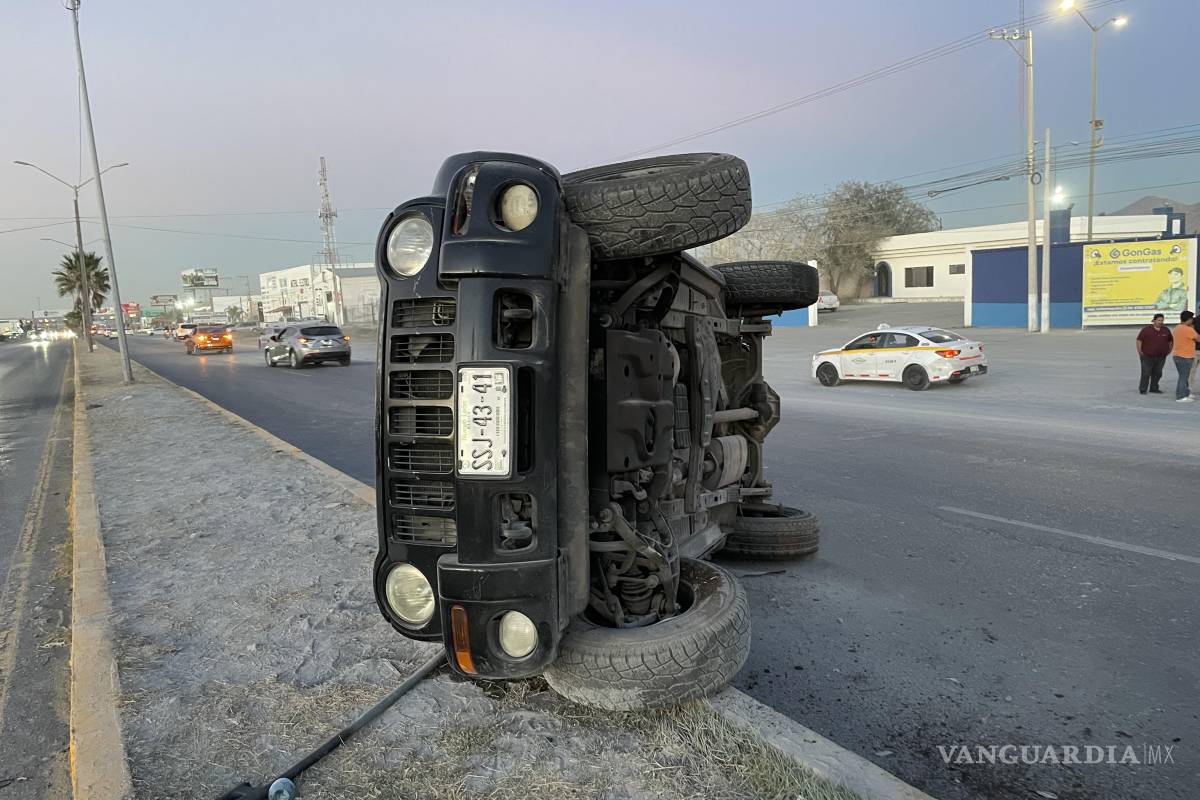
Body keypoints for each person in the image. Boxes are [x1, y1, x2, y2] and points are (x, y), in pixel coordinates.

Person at [1135, 313, 1173, 394]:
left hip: (1161, 356)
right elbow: (1139, 340)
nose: (1160, 322)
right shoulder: (1146, 330)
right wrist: (1140, 351)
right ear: (1154, 320)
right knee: (1146, 373)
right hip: (1147, 356)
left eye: (1162, 320)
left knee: (1158, 373)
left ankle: (1154, 388)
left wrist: (1169, 350)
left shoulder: (1166, 330)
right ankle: (1143, 389)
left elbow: (1170, 341)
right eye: (1159, 320)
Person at [1171, 310, 1199, 402]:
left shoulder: (1177, 328)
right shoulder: (1188, 329)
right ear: (1189, 319)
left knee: (1184, 376)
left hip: (1177, 355)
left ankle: (1185, 393)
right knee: (1183, 377)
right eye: (1191, 319)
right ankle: (1180, 396)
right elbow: (1198, 339)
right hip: (1185, 356)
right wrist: (1192, 328)